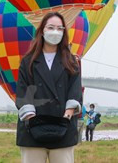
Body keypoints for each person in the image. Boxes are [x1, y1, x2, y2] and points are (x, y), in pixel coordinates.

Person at [15, 12, 83, 163]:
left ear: (64, 32)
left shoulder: (71, 61)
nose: (55, 32)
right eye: (51, 27)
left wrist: (66, 117)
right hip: (31, 128)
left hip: (63, 126)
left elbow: (75, 91)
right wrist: (33, 121)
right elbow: (22, 91)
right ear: (42, 30)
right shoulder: (28, 62)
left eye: (60, 28)